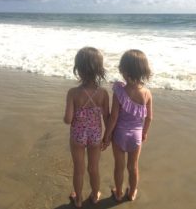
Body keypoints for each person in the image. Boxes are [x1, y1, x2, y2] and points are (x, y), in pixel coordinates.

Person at [102, 49, 153, 202]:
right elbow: (150, 117)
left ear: (125, 71)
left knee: (119, 166)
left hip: (119, 134)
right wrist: (144, 133)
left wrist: (107, 135)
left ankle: (118, 193)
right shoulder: (147, 93)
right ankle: (131, 194)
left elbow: (114, 117)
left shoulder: (120, 91)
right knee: (133, 167)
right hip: (136, 135)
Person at [64, 47, 109, 208]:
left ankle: (77, 199)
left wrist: (70, 114)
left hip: (77, 135)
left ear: (78, 70)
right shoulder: (103, 93)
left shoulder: (73, 93)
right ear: (99, 70)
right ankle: (95, 194)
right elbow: (107, 117)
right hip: (96, 135)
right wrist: (107, 137)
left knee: (78, 168)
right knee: (93, 167)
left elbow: (68, 120)